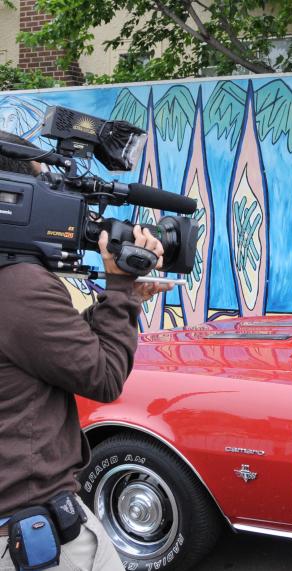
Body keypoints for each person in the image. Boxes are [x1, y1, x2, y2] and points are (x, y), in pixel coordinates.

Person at [0, 131, 171, 571]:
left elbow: (43, 350)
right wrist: (119, 287)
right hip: (35, 535)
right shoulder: (19, 288)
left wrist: (122, 299)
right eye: (46, 187)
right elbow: (103, 375)